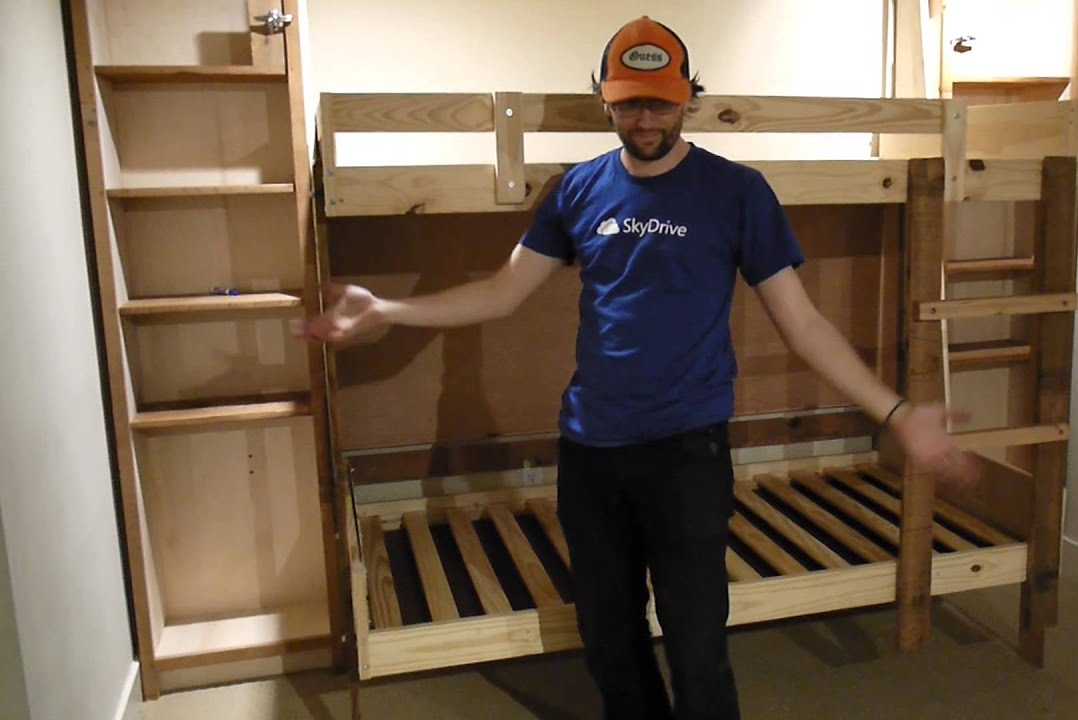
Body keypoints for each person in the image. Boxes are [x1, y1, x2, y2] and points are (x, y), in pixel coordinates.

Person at [300, 16, 977, 720]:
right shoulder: (577, 190)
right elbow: (502, 292)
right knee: (609, 641)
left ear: (688, 98)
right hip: (590, 453)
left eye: (660, 102)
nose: (645, 119)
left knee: (696, 645)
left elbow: (803, 323)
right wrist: (388, 309)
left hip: (687, 453)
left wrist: (896, 412)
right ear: (604, 98)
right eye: (629, 104)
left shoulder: (737, 192)